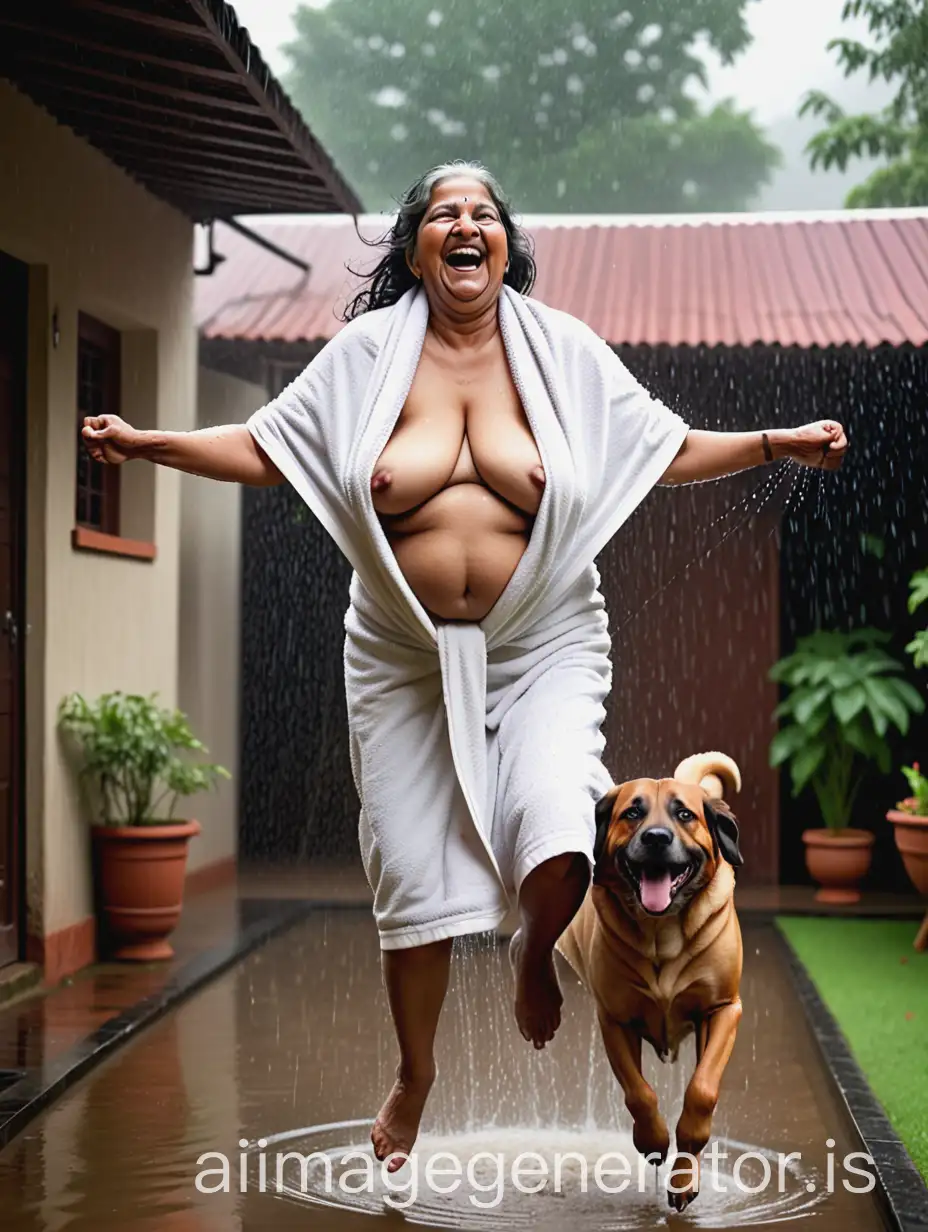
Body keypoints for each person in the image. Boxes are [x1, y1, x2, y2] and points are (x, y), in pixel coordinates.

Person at [82, 161, 847, 1170]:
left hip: (544, 638)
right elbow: (272, 447)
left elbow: (655, 446)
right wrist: (148, 444)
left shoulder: (559, 351)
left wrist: (773, 442)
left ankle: (534, 951)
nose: (466, 224)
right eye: (445, 213)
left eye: (483, 213)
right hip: (398, 650)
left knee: (562, 809)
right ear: (415, 248)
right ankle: (415, 1073)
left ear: (503, 245)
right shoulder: (367, 356)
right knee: (407, 867)